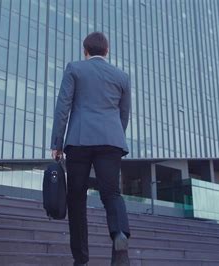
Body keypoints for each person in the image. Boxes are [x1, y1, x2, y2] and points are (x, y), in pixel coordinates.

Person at [50, 32, 131, 266]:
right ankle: (119, 235)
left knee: (76, 198)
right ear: (107, 51)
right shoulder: (122, 77)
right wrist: (114, 136)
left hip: (79, 140)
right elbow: (124, 114)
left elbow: (62, 107)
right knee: (111, 194)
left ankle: (81, 260)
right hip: (111, 141)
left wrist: (57, 144)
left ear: (85, 51)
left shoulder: (75, 69)